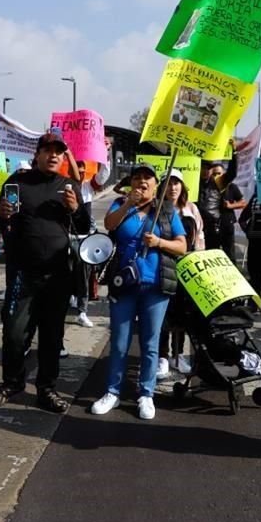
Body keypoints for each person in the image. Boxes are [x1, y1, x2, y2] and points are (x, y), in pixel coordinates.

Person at [0, 129, 91, 413]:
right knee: (13, 333)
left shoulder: (70, 186)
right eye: (48, 150)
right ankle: (12, 383)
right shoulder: (17, 181)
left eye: (59, 151)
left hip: (57, 275)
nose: (53, 155)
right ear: (37, 154)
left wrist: (75, 209)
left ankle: (46, 389)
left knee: (51, 336)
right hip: (22, 273)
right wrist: (2, 215)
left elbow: (83, 228)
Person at [91, 163, 187, 420]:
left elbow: (181, 246)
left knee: (150, 343)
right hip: (124, 286)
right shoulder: (121, 204)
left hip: (155, 287)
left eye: (147, 178)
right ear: (131, 183)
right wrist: (127, 206)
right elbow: (110, 225)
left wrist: (159, 243)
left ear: (156, 185)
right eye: (137, 178)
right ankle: (112, 391)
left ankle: (146, 394)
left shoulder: (166, 210)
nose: (142, 182)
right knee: (120, 342)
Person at [158, 168, 204, 378]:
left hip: (187, 269)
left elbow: (199, 238)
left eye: (176, 183)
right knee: (163, 314)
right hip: (163, 268)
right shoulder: (157, 209)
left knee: (183, 314)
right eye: (168, 183)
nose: (173, 187)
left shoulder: (191, 209)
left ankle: (178, 354)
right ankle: (162, 357)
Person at [72, 156, 111, 328]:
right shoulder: (62, 186)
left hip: (84, 240)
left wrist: (105, 156)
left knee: (84, 277)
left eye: (82, 168)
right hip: (66, 238)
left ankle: (82, 311)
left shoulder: (88, 186)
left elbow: (103, 175)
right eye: (76, 167)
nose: (80, 171)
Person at [198, 161, 244, 261]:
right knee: (211, 256)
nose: (206, 171)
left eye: (208, 169)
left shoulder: (224, 184)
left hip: (224, 224)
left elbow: (232, 173)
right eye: (203, 168)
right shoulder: (197, 184)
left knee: (229, 255)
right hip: (206, 227)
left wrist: (234, 154)